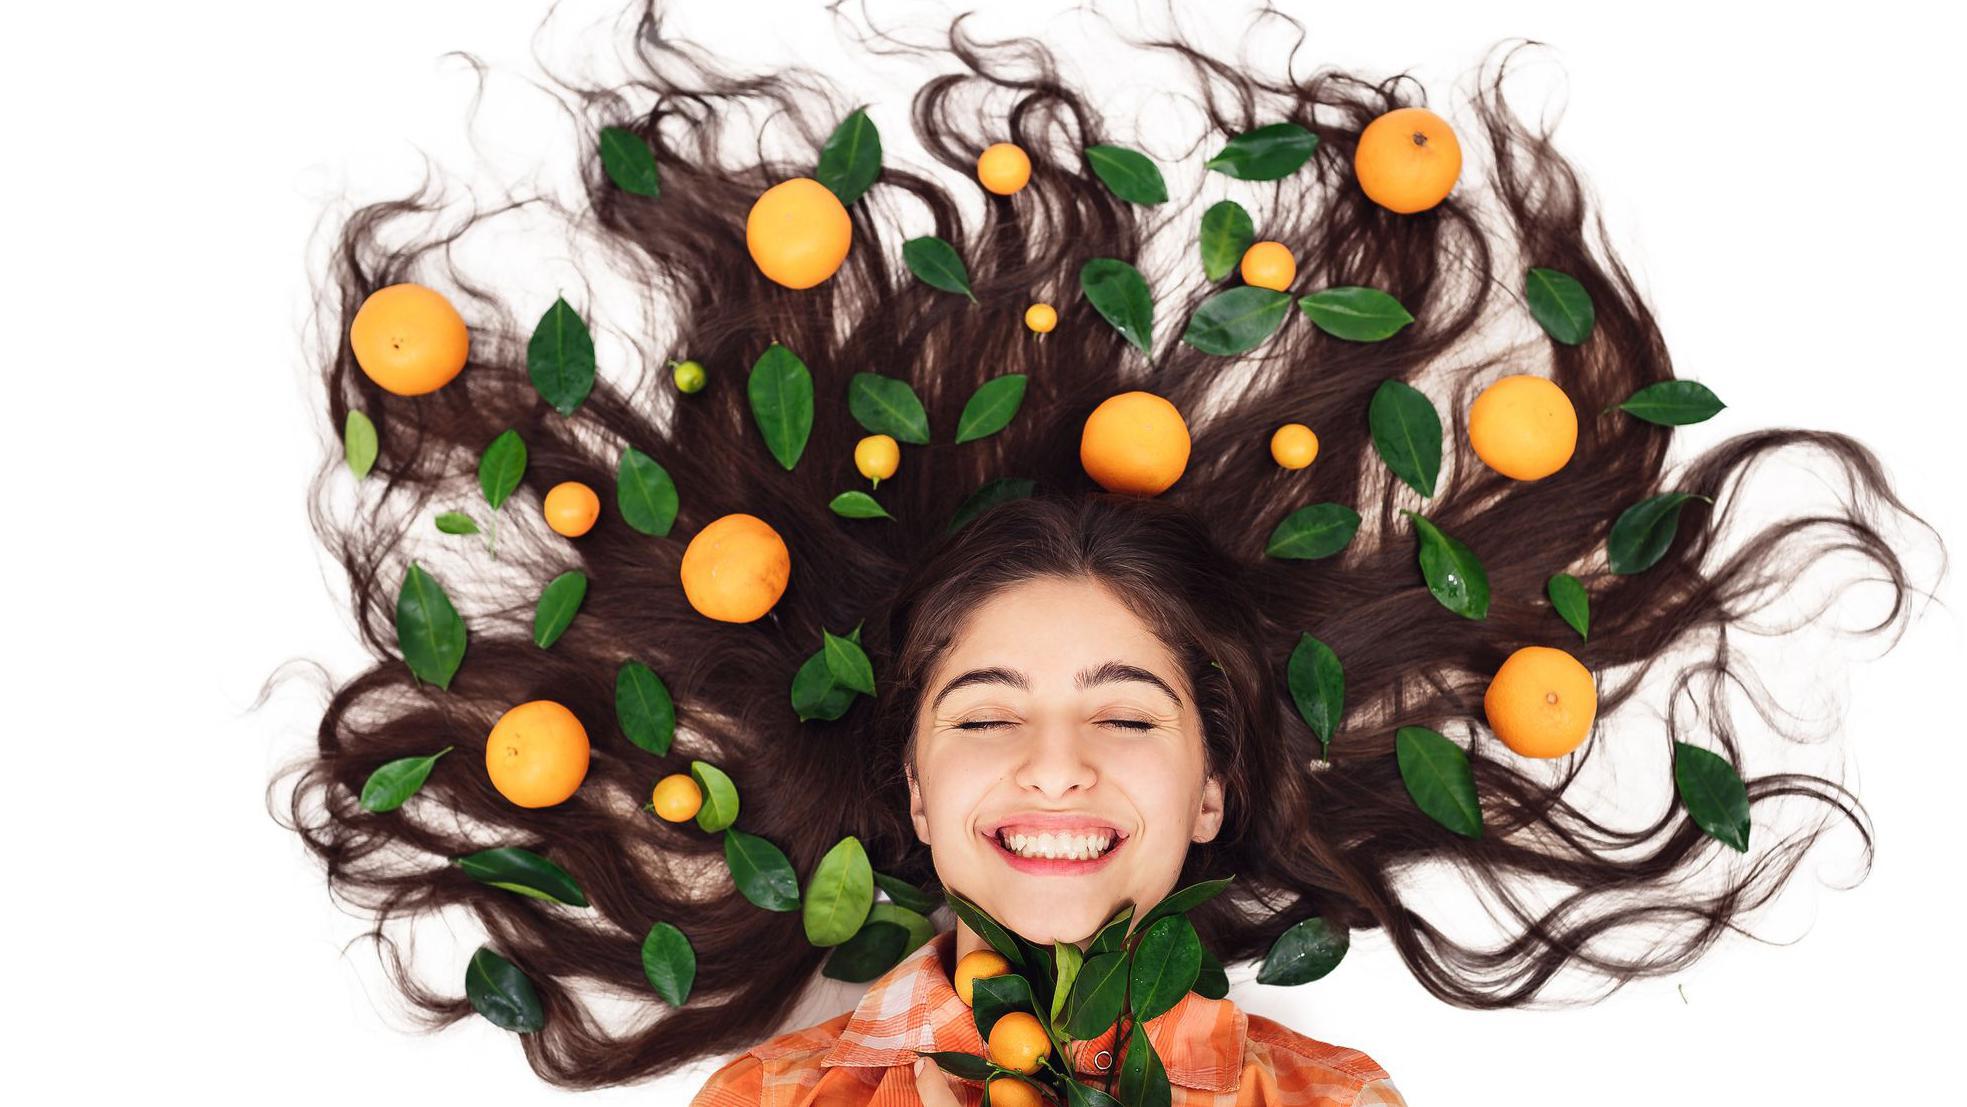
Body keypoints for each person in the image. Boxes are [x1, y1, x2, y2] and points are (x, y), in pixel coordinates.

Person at [271, 1, 1939, 1103]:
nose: (1053, 765)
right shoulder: (777, 1101)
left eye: (1130, 716)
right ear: (908, 792)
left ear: (1211, 789)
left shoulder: (1336, 1104)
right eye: (982, 713)